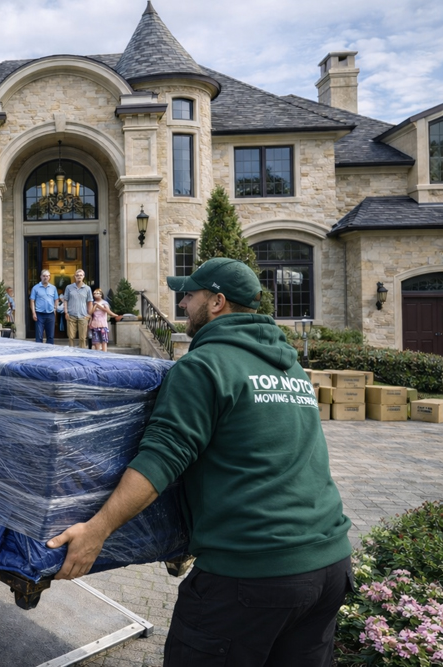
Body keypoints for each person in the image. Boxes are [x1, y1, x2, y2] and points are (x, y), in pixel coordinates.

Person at [47, 258, 352, 664]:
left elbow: (161, 459)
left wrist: (96, 531)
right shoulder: (290, 368)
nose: (183, 303)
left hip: (252, 575)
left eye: (189, 295)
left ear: (217, 302)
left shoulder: (203, 367)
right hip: (329, 565)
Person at [62, 270, 93, 348]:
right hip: (71, 315)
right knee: (71, 337)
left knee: (82, 338)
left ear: (83, 276)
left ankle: (82, 354)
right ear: (74, 277)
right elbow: (65, 300)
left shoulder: (87, 288)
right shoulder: (69, 287)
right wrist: (66, 312)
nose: (79, 276)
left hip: (83, 316)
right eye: (77, 275)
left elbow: (90, 302)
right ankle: (71, 354)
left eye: (81, 275)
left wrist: (90, 314)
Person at [30, 270, 58, 344]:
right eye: (44, 276)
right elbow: (32, 301)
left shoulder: (53, 288)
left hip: (50, 314)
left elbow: (56, 299)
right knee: (39, 336)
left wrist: (55, 309)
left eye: (47, 276)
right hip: (39, 314)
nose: (45, 277)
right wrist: (33, 313)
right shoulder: (35, 288)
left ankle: (49, 353)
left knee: (51, 336)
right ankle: (39, 353)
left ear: (49, 277)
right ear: (40, 277)